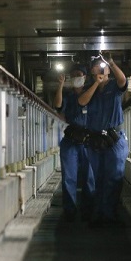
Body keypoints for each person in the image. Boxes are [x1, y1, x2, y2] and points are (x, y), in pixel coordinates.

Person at [78, 52, 129, 226]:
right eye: (96, 66)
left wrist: (112, 63)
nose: (100, 68)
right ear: (92, 71)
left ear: (108, 69)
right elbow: (82, 102)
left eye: (103, 65)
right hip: (95, 139)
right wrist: (96, 84)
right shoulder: (89, 88)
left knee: (114, 176)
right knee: (97, 177)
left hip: (114, 139)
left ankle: (110, 214)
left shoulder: (114, 86)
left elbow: (123, 81)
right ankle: (98, 213)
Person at [54, 64, 94, 221]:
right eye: (74, 75)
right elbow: (58, 105)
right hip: (71, 140)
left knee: (89, 176)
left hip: (88, 141)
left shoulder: (92, 94)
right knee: (69, 176)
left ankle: (88, 208)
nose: (77, 77)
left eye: (79, 74)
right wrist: (60, 85)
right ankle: (70, 210)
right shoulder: (68, 97)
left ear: (85, 77)